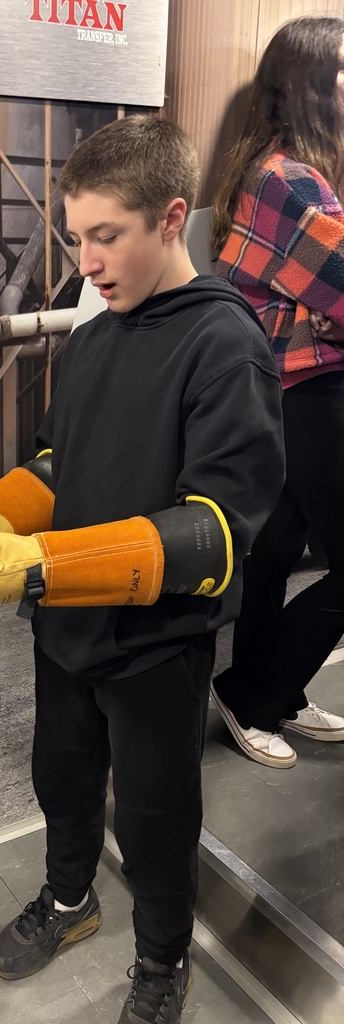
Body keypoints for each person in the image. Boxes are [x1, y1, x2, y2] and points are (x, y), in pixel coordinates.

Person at [0, 115, 285, 1024]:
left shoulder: (226, 347)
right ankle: (70, 901)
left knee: (154, 821)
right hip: (66, 626)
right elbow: (58, 463)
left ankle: (162, 960)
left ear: (171, 218)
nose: (87, 261)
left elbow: (216, 534)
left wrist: (34, 565)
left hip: (156, 644)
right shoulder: (100, 331)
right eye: (77, 238)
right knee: (62, 779)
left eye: (106, 236)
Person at [209, 15, 344, 769]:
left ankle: (272, 692)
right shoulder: (286, 179)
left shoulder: (295, 174)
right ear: (309, 83)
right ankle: (257, 687)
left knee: (275, 550)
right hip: (302, 389)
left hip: (296, 389)